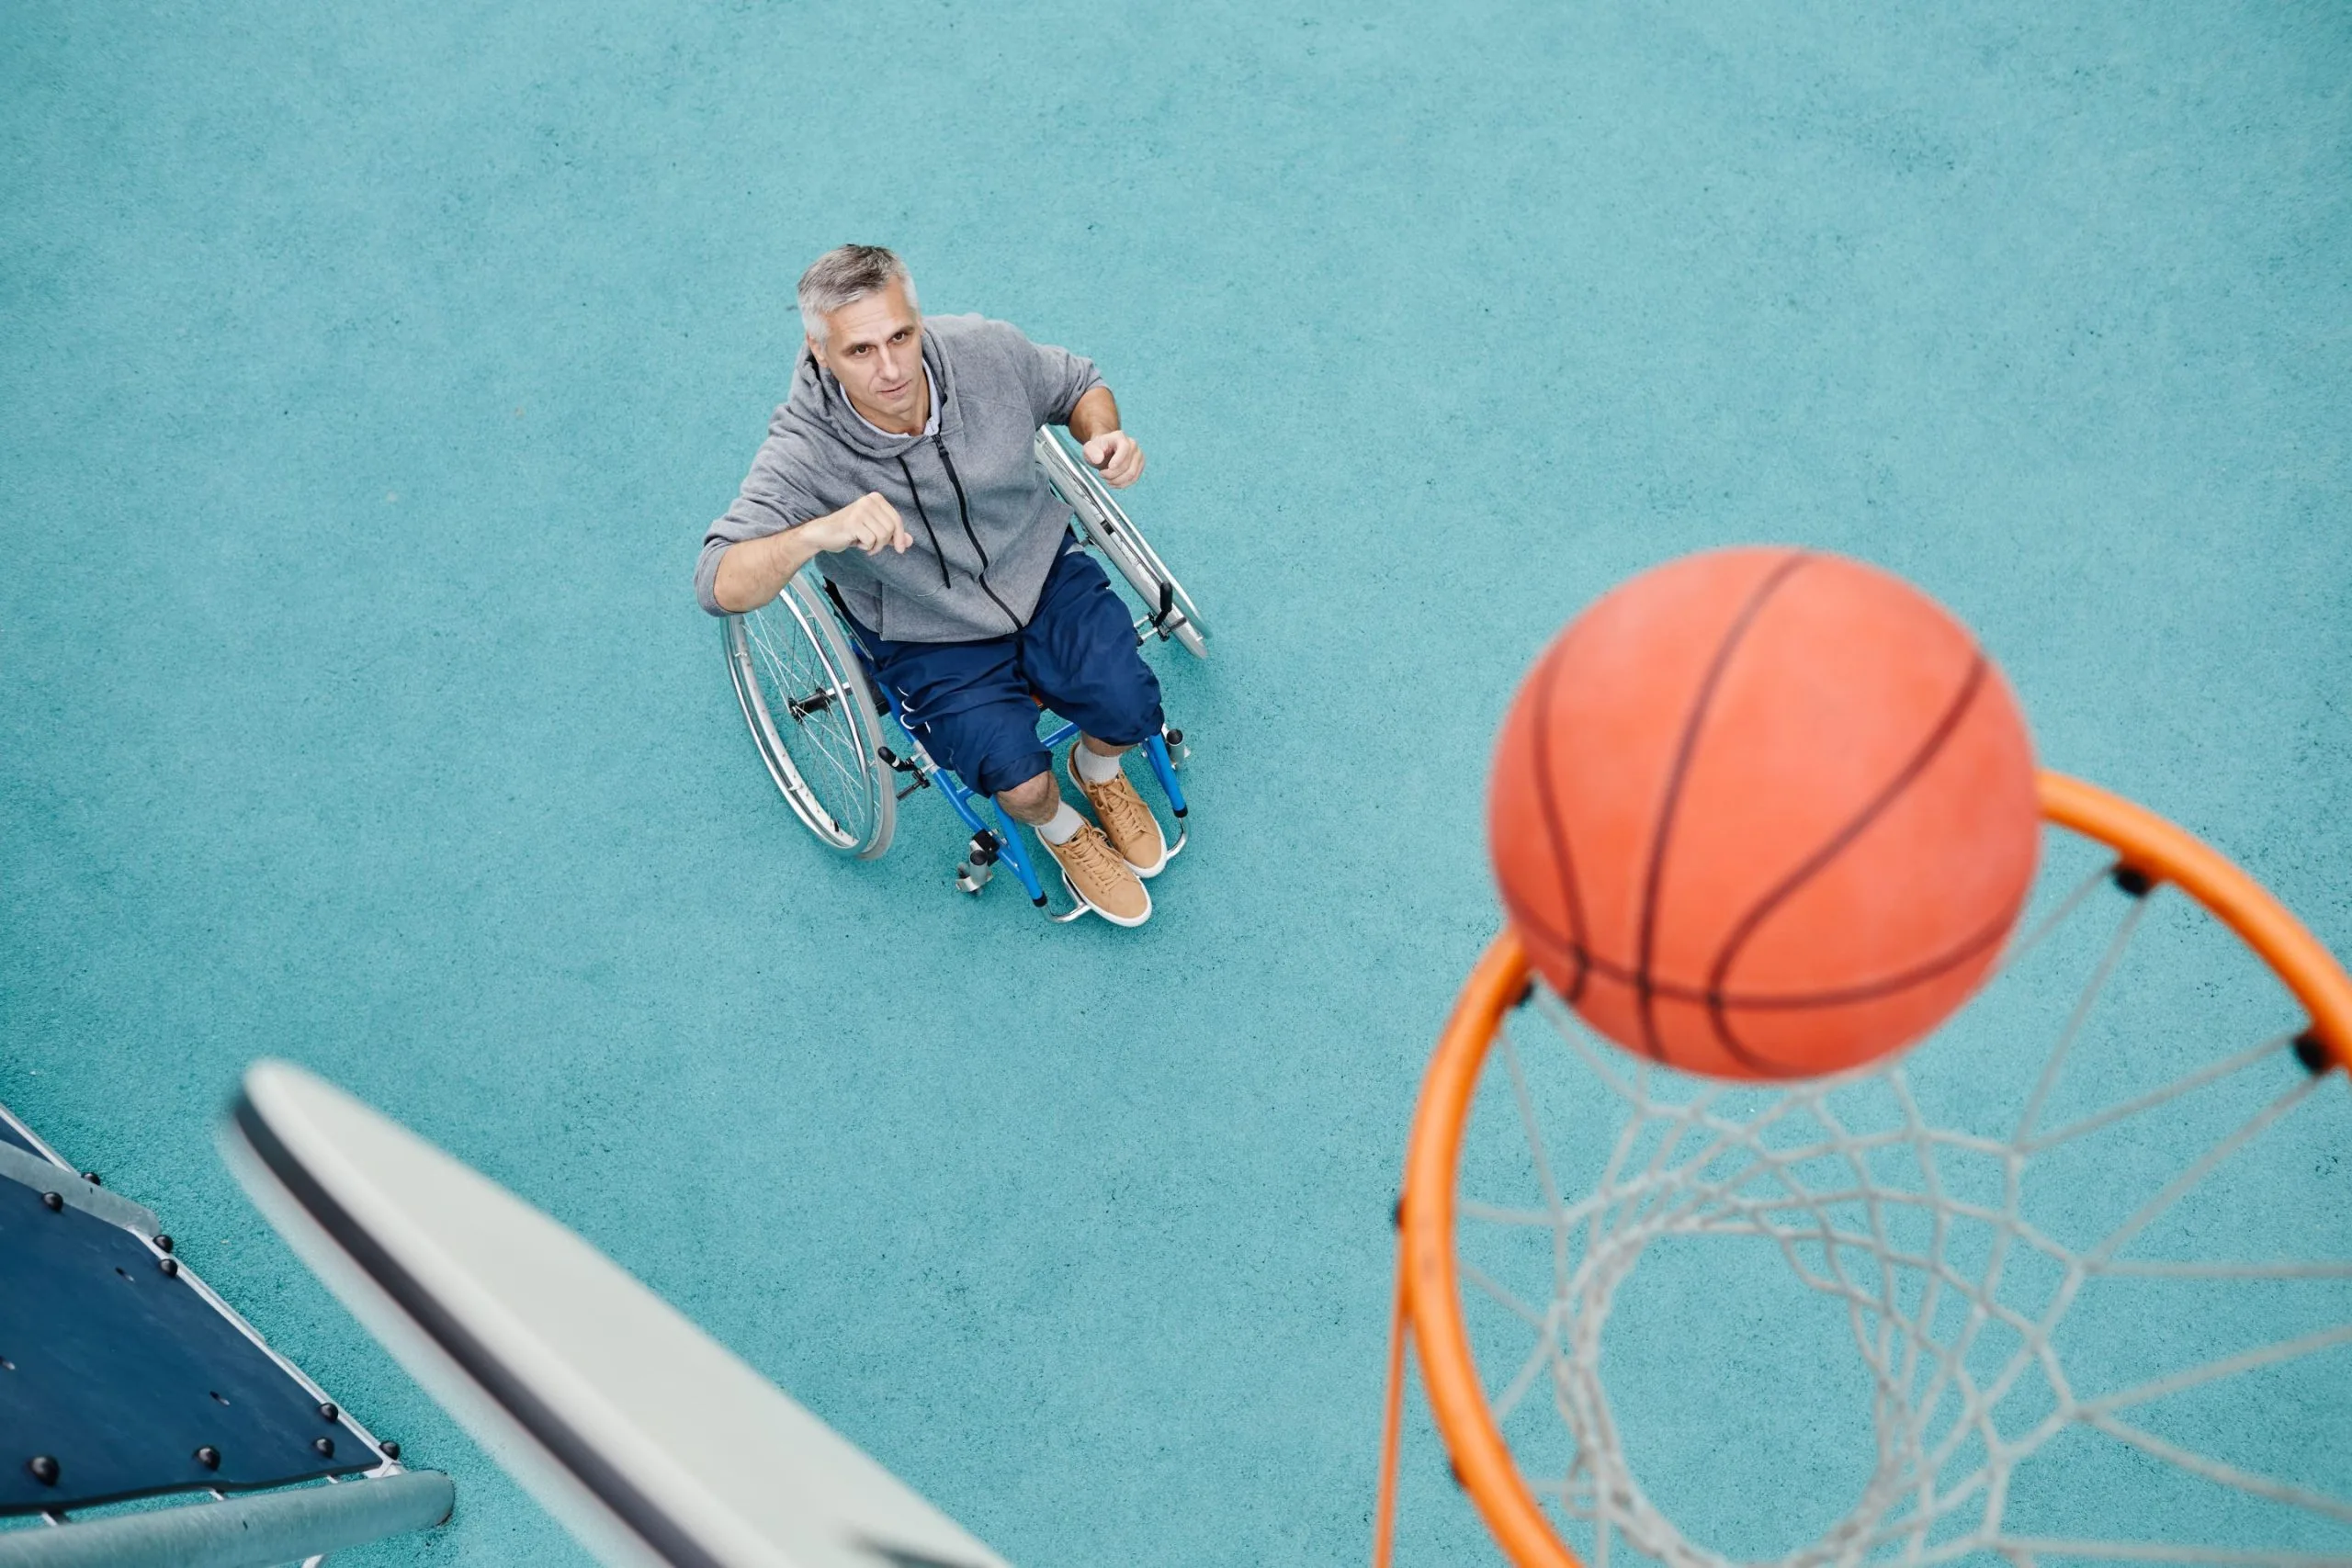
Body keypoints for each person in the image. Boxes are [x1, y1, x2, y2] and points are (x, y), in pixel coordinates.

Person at [696, 245, 1168, 926]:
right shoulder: (802, 450)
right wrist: (816, 534)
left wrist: (1107, 436)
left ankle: (1099, 774)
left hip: (1037, 568)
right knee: (1022, 783)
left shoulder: (986, 351)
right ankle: (1062, 827)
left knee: (1128, 705)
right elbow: (717, 580)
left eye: (900, 336)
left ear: (919, 318)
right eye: (860, 350)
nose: (890, 369)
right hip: (924, 626)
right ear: (820, 351)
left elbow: (1079, 385)